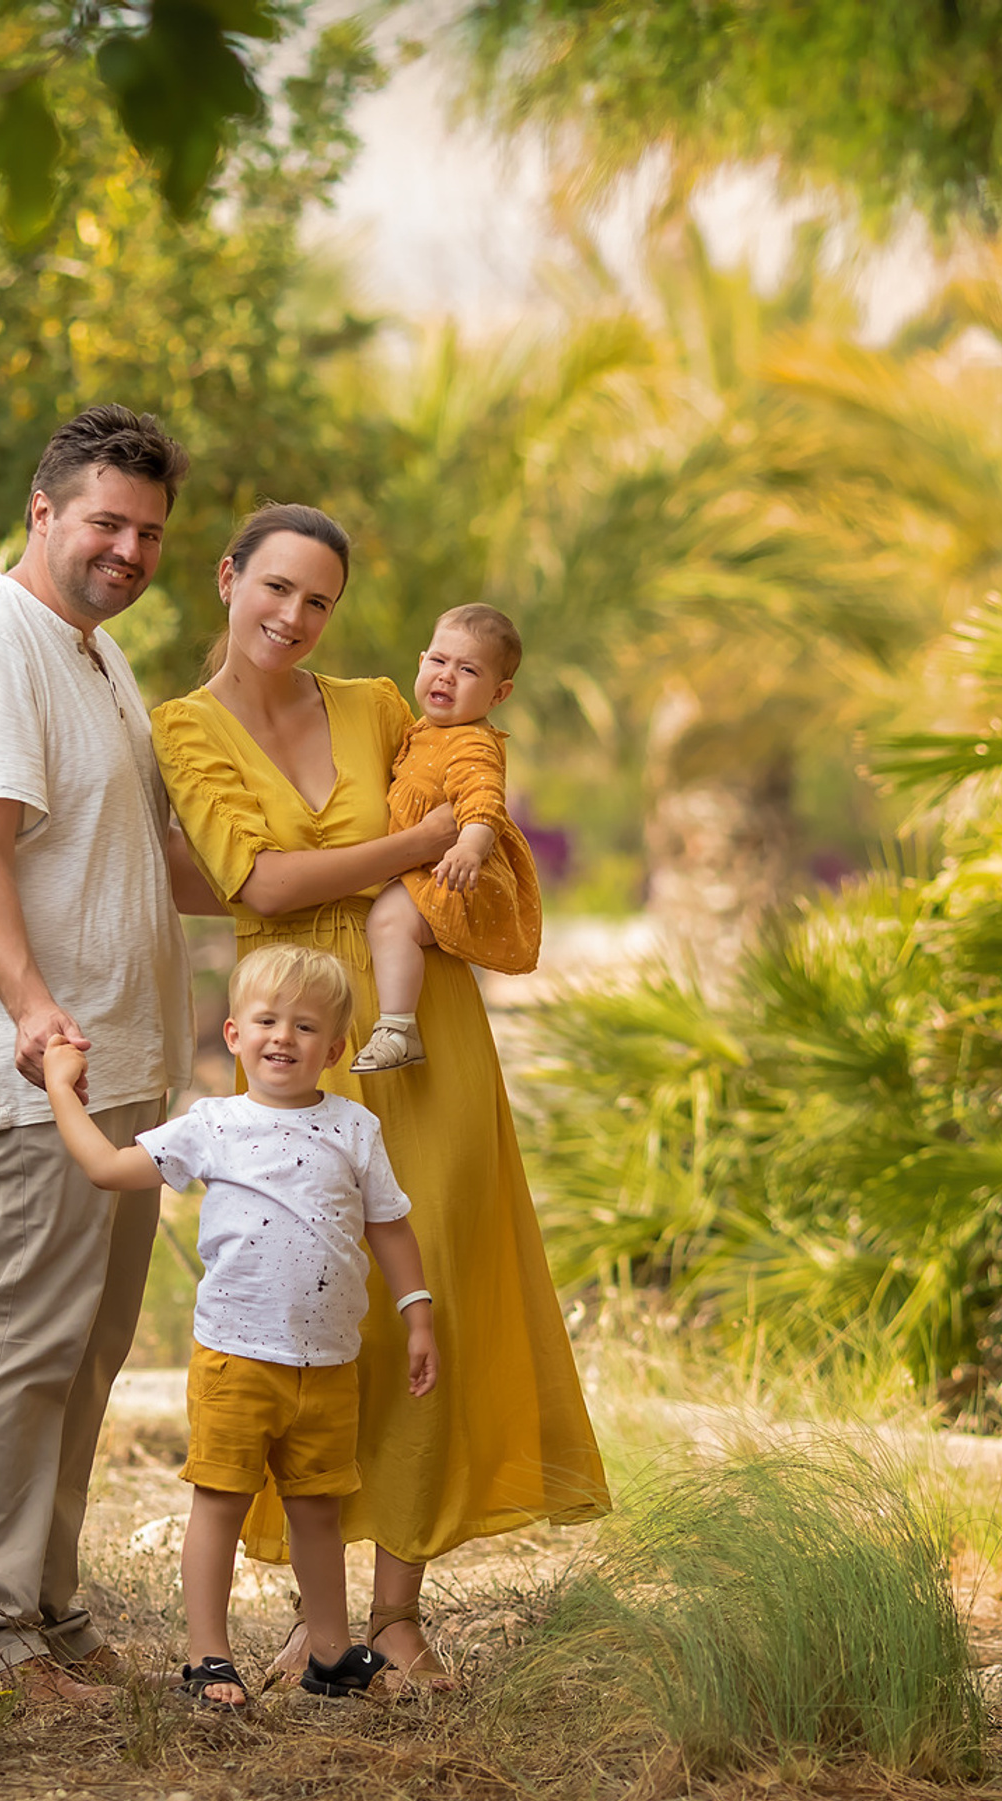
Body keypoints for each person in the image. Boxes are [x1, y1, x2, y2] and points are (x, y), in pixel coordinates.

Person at [149, 503, 610, 1689]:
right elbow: (261, 875)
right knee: (317, 1309)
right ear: (228, 579)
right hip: (298, 1046)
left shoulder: (377, 706)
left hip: (426, 1035)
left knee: (428, 1296)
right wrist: (405, 855)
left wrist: (431, 852)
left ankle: (393, 1615)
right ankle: (321, 1612)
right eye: (278, 590)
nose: (297, 618)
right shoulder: (186, 729)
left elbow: (467, 803)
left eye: (321, 602)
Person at [0, 404, 215, 1700]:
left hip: (127, 1073)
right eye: (106, 522)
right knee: (23, 1344)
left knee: (88, 1355)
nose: (129, 549)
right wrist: (35, 1012)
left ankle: (46, 1607)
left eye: (148, 532)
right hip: (43, 1079)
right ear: (42, 514)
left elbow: (154, 861)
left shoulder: (96, 657)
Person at [41, 945, 440, 1709]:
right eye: (266, 1020)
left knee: (318, 1511)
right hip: (236, 1360)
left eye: (305, 1024)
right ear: (232, 1034)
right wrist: (65, 1090)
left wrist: (415, 1311)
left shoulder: (354, 1128)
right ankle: (208, 1658)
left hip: (328, 1365)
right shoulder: (213, 1125)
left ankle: (328, 1655)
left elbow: (390, 1225)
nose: (282, 1036)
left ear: (335, 1048)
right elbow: (105, 1168)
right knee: (220, 1503)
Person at [350, 602, 543, 1074]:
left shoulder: (470, 743)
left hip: (453, 872)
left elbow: (483, 803)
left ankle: (397, 1030)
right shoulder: (424, 731)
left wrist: (468, 848)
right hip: (431, 866)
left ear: (499, 693)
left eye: (468, 669)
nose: (446, 677)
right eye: (438, 661)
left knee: (389, 922)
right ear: (421, 663)